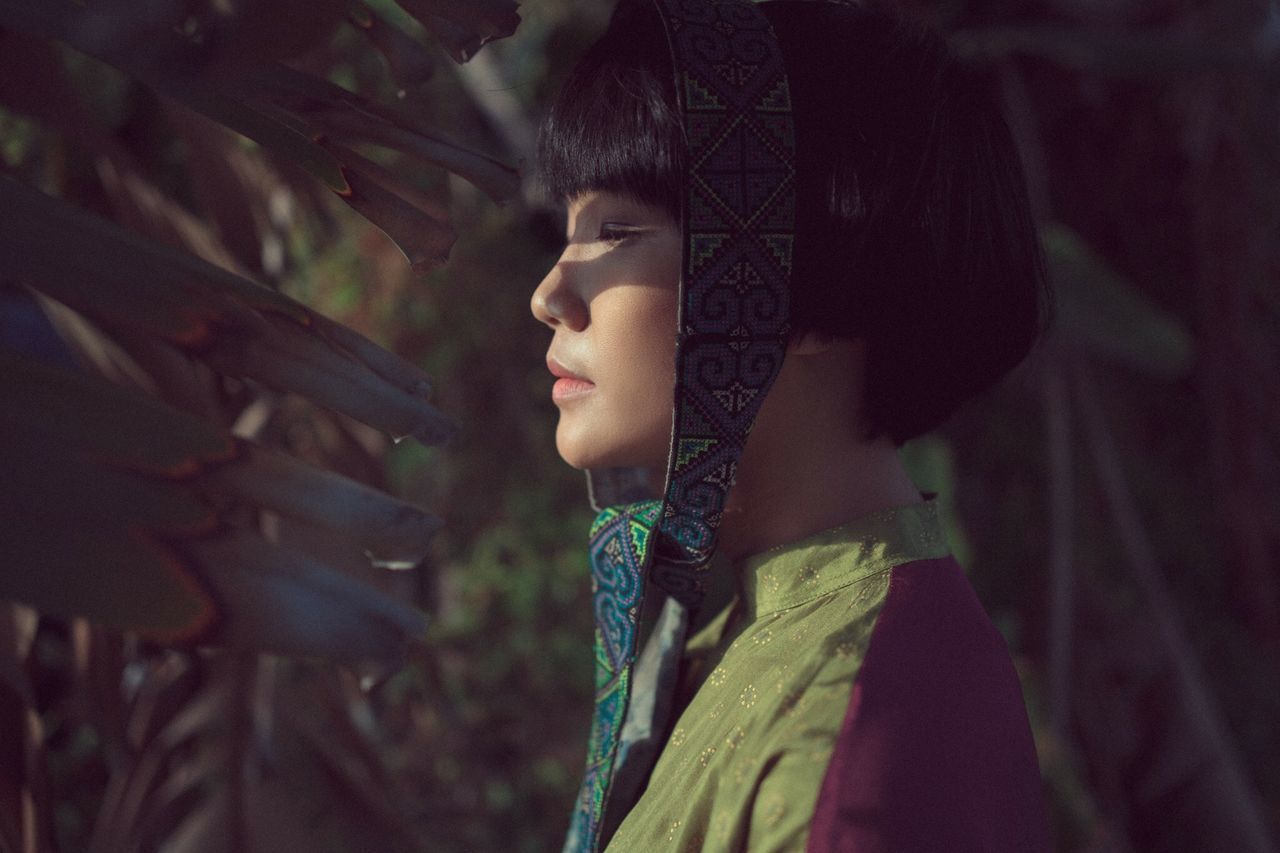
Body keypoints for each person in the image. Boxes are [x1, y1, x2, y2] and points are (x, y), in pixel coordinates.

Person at [531, 0, 1052, 850]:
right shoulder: (746, 637)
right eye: (569, 231)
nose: (550, 293)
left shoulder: (851, 745)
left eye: (616, 231)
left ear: (797, 293)